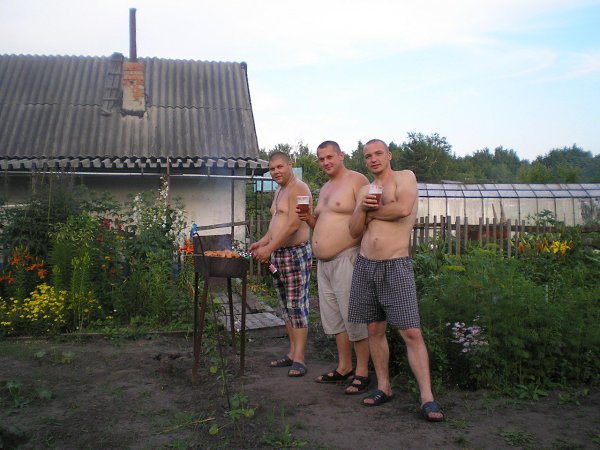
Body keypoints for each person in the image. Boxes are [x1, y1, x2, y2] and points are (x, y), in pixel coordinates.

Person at [347, 139, 444, 421]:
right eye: (368, 156)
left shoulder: (404, 177)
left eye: (378, 153)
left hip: (395, 264)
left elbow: (402, 209)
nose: (373, 159)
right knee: (374, 329)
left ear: (389, 155)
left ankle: (427, 398)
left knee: (411, 332)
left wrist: (370, 212)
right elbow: (354, 230)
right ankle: (384, 387)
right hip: (366, 265)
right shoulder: (365, 190)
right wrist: (361, 210)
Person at [297, 141, 371, 395]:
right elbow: (324, 223)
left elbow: (368, 218)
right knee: (335, 319)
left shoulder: (357, 180)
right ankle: (344, 367)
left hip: (346, 258)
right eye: (321, 159)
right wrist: (309, 219)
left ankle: (363, 372)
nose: (325, 162)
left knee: (354, 317)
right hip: (324, 263)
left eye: (330, 157)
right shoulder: (326, 188)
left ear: (341, 156)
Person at [249, 151, 313, 377]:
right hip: (279, 254)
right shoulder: (279, 191)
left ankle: (300, 359)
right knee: (285, 306)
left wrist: (269, 249)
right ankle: (292, 353)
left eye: (279, 167)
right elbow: (276, 225)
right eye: (272, 169)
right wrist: (262, 242)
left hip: (295, 254)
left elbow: (293, 225)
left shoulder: (299, 189)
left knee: (297, 305)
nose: (276, 172)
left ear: (290, 165)